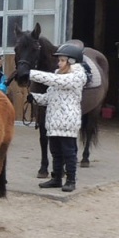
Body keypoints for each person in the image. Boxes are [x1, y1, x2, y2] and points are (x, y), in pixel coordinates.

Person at [28, 42, 88, 192]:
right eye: (59, 60)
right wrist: (34, 98)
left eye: (62, 60)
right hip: (53, 122)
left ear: (72, 61)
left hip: (67, 123)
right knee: (55, 152)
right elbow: (49, 98)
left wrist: (31, 73)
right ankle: (56, 178)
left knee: (69, 153)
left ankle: (71, 180)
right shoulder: (57, 75)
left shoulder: (77, 76)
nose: (59, 63)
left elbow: (58, 82)